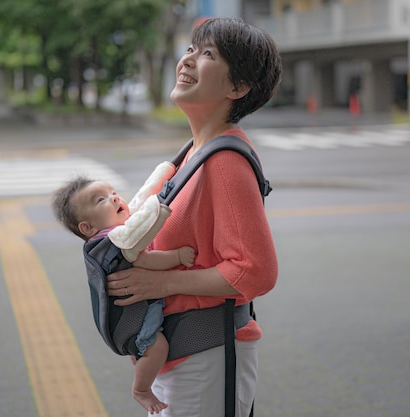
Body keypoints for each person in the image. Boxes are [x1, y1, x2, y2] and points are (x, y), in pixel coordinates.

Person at [106, 17, 281, 417]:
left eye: (207, 54)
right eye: (190, 49)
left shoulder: (225, 161)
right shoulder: (194, 153)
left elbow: (255, 271)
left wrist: (160, 282)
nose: (188, 60)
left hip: (207, 355)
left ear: (237, 88)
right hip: (184, 355)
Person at [51, 175, 196, 414]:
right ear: (88, 227)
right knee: (157, 348)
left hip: (129, 317)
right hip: (133, 319)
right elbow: (146, 260)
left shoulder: (103, 243)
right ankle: (141, 389)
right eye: (101, 200)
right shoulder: (116, 242)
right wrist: (177, 257)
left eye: (113, 192)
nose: (114, 197)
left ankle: (140, 358)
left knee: (149, 348)